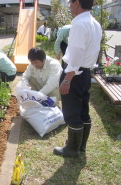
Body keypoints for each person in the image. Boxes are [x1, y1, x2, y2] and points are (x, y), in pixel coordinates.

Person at [53, 0, 102, 157]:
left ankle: (72, 149)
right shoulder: (95, 23)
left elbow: (76, 54)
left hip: (75, 74)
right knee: (83, 110)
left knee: (72, 112)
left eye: (70, 2)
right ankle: (81, 146)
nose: (69, 5)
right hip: (86, 72)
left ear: (77, 3)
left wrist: (67, 79)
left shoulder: (79, 24)